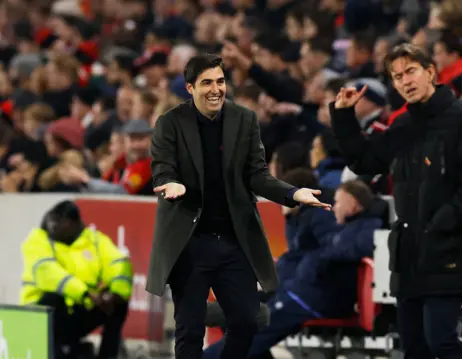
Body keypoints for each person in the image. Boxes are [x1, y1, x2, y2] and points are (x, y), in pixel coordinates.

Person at [145, 54, 329, 359]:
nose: (216, 89)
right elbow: (163, 165)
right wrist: (171, 183)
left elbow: (256, 175)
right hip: (189, 243)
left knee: (247, 320)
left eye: (220, 81)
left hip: (233, 240)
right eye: (207, 83)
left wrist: (293, 193)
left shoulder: (244, 119)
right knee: (189, 329)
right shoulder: (170, 123)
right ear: (190, 88)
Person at [330, 43, 462, 359]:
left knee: (442, 342)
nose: (405, 81)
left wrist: (445, 221)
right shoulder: (403, 124)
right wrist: (343, 117)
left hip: (446, 250)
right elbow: (365, 161)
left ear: (430, 72)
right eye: (397, 77)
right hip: (408, 255)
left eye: (411, 71)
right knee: (414, 349)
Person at [203, 179, 382, 358]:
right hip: (301, 290)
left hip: (311, 296)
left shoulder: (366, 228)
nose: (334, 207)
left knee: (253, 330)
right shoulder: (341, 228)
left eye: (339, 202)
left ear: (353, 204)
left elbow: (347, 249)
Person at [20, 200, 132, 359]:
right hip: (40, 314)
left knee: (118, 304)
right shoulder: (37, 239)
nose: (51, 227)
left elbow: (118, 264)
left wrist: (114, 295)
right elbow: (48, 272)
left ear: (71, 223)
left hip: (78, 309)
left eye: (57, 223)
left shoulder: (95, 240)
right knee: (53, 299)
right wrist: (84, 293)